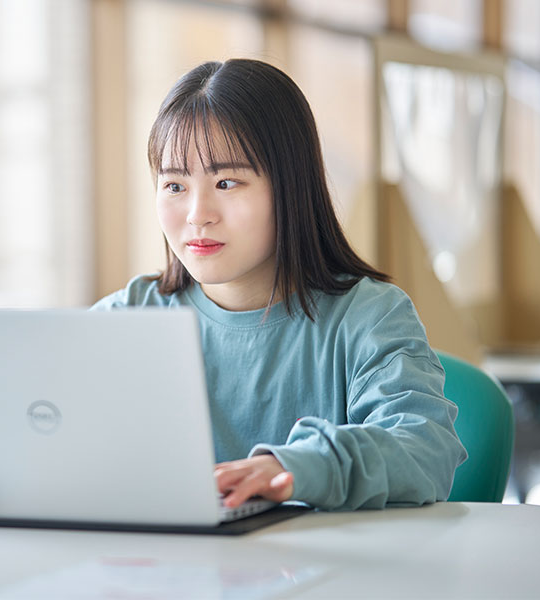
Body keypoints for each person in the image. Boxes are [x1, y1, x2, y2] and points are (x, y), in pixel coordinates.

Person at [92, 58, 467, 511]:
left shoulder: (369, 316)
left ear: (290, 187)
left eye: (227, 182)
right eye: (174, 186)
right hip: (159, 571)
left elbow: (425, 449)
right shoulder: (125, 319)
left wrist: (297, 468)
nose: (197, 214)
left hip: (332, 574)